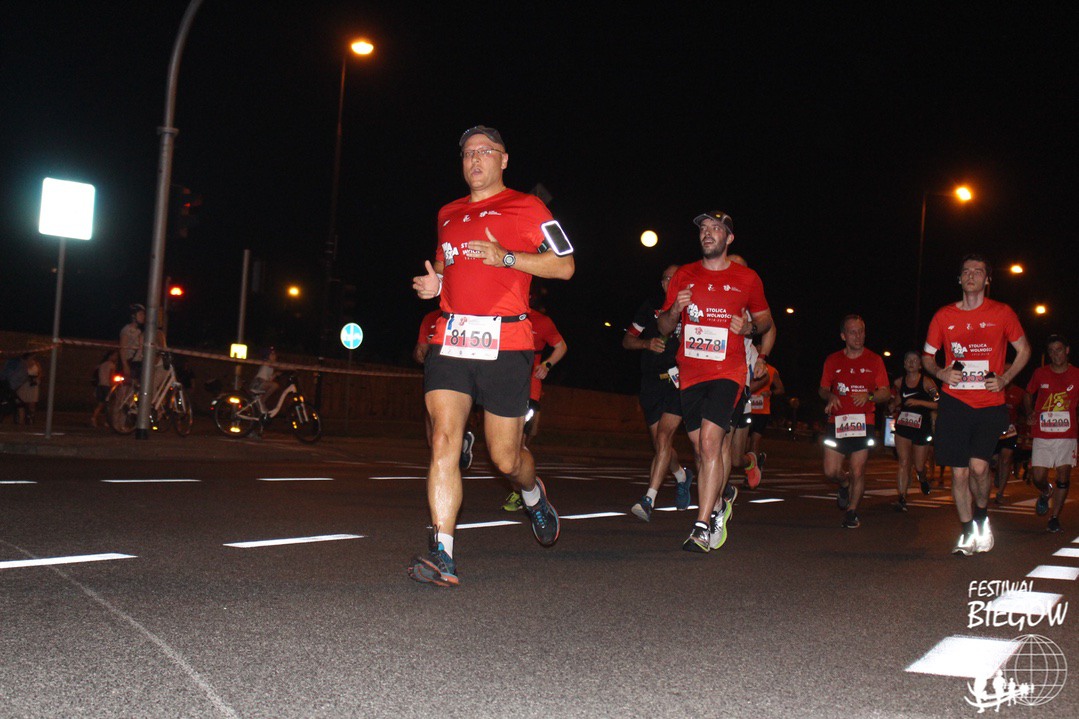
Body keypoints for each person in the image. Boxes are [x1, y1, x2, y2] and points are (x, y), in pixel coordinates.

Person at [407, 125, 575, 586]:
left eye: (485, 151)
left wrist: (507, 258)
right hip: (452, 338)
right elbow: (447, 268)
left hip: (507, 343)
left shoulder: (528, 207)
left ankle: (533, 495)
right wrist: (435, 285)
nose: (474, 159)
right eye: (467, 153)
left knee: (506, 459)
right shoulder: (447, 213)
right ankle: (443, 554)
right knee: (444, 438)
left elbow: (565, 265)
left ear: (504, 159)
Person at [657, 211, 772, 552]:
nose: (708, 233)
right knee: (699, 447)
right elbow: (664, 328)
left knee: (709, 443)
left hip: (728, 372)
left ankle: (701, 526)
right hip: (691, 371)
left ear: (729, 238)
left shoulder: (747, 278)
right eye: (704, 229)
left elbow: (765, 321)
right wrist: (674, 311)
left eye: (716, 228)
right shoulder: (684, 275)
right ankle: (720, 503)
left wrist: (748, 327)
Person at [922, 254, 1030, 555]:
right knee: (959, 473)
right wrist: (941, 373)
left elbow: (1024, 350)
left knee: (980, 468)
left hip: (989, 403)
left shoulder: (1002, 313)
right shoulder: (943, 316)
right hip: (955, 403)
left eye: (978, 271)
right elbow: (927, 357)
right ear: (959, 279)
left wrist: (1005, 378)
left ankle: (982, 517)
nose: (971, 275)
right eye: (966, 271)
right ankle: (968, 532)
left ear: (987, 279)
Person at [624, 264, 694, 521]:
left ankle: (648, 499)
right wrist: (646, 343)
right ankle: (682, 476)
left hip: (678, 383)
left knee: (664, 438)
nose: (670, 283)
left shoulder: (692, 308)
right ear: (662, 283)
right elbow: (627, 340)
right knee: (661, 444)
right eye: (667, 279)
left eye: (676, 279)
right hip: (651, 383)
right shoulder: (650, 307)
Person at [819, 315, 890, 528]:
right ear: (843, 336)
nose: (858, 336)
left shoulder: (875, 360)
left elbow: (885, 392)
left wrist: (869, 396)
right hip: (837, 422)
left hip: (863, 422)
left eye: (861, 331)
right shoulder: (833, 360)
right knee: (830, 471)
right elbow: (822, 388)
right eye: (853, 332)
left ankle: (851, 512)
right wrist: (830, 396)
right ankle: (844, 482)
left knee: (858, 470)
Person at [503, 303, 568, 511]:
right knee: (504, 448)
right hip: (504, 388)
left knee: (519, 445)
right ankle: (524, 488)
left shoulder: (542, 322)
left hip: (529, 391)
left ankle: (524, 491)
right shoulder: (503, 314)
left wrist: (546, 365)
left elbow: (561, 346)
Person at [1022, 334, 1079, 533]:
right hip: (1043, 433)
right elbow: (1028, 393)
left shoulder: (1077, 375)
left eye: (1059, 350)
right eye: (1052, 351)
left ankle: (1054, 518)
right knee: (1038, 476)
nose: (1056, 355)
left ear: (1067, 350)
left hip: (1067, 435)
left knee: (1063, 475)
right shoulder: (1040, 373)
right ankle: (1046, 491)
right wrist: (1029, 412)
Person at [414, 308, 478, 471]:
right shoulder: (430, 318)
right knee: (434, 437)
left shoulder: (468, 315)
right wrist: (420, 353)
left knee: (449, 429)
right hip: (435, 377)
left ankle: (455, 454)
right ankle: (457, 448)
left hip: (461, 377)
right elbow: (421, 350)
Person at [889, 350, 940, 509]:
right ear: (904, 364)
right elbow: (898, 399)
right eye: (908, 360)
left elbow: (939, 403)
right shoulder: (899, 382)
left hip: (921, 427)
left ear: (920, 365)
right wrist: (892, 405)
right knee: (904, 462)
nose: (911, 363)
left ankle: (922, 479)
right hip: (904, 425)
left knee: (919, 466)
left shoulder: (927, 382)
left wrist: (919, 402)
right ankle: (902, 498)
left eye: (915, 360)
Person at [743, 339, 783, 486]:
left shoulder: (771, 371)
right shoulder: (746, 364)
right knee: (745, 444)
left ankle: (751, 474)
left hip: (762, 411)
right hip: (747, 409)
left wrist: (770, 393)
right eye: (757, 347)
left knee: (755, 439)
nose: (758, 349)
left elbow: (781, 389)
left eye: (761, 347)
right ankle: (756, 460)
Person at [991, 369, 1026, 503]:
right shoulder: (991, 387)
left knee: (1006, 459)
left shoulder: (1019, 393)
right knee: (993, 460)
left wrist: (1023, 422)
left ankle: (1000, 493)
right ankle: (997, 471)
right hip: (993, 430)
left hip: (1010, 431)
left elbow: (1024, 413)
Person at [91, 350, 118, 428]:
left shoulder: (101, 365)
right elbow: (111, 377)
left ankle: (94, 418)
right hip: (107, 387)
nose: (116, 357)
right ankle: (107, 421)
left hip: (100, 386)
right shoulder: (111, 365)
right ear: (110, 356)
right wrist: (113, 387)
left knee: (100, 404)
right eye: (115, 356)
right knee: (109, 405)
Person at [119, 304, 145, 380]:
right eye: (140, 314)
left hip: (138, 362)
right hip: (130, 362)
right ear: (133, 316)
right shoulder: (127, 330)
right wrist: (125, 366)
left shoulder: (139, 331)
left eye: (143, 314)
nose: (143, 316)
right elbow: (122, 348)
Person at [14, 353, 42, 425]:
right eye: (31, 356)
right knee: (21, 401)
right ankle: (21, 418)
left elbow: (40, 372)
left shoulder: (36, 363)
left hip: (33, 384)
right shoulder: (22, 364)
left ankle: (31, 417)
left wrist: (37, 378)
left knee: (32, 402)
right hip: (24, 384)